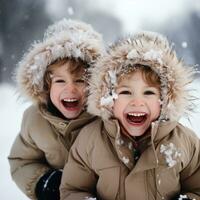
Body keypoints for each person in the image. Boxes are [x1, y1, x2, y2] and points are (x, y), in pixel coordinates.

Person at [60, 31, 200, 200]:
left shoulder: (185, 142)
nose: (137, 102)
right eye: (126, 92)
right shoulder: (91, 140)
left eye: (148, 92)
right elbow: (73, 189)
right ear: (109, 98)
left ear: (165, 100)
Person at [8, 18, 105, 200]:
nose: (70, 89)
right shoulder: (35, 120)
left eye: (80, 80)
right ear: (46, 85)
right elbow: (22, 161)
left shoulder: (106, 118)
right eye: (60, 81)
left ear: (95, 84)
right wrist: (44, 182)